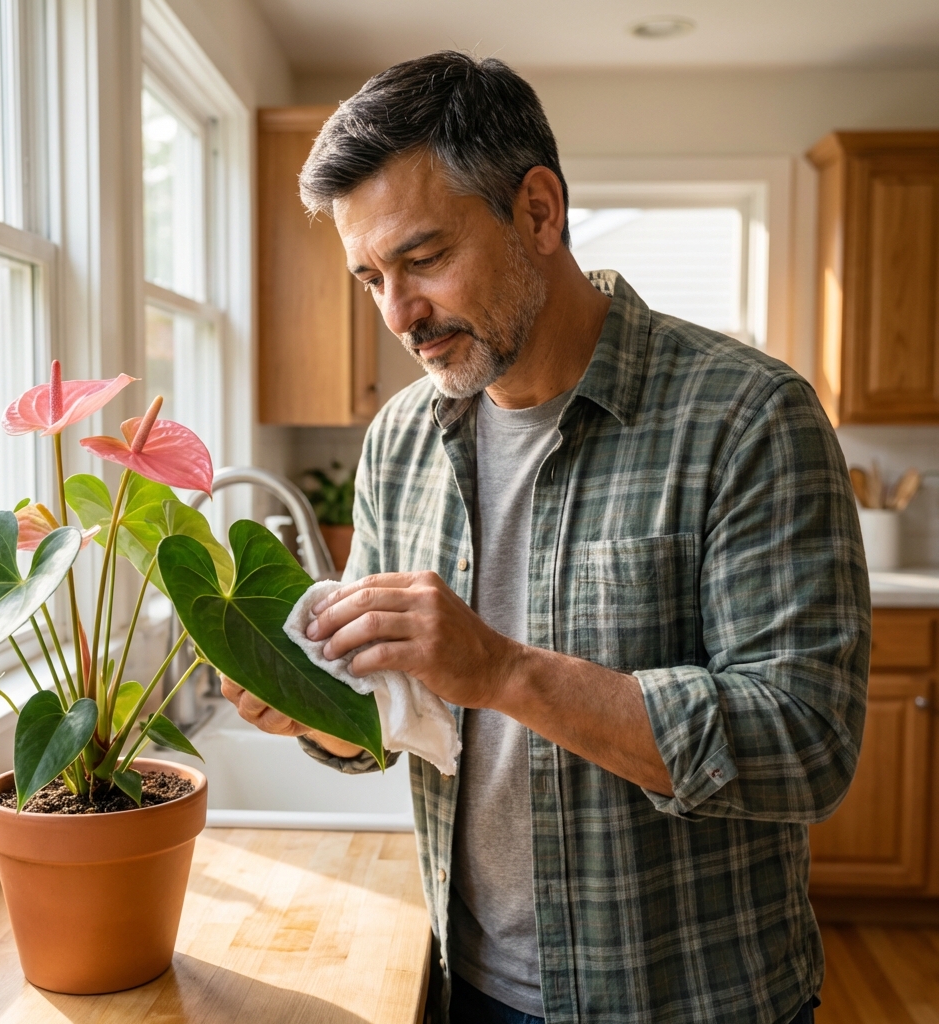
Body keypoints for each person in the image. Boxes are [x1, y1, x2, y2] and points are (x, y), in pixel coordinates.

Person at [221, 51, 870, 1024]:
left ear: (537, 211)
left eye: (423, 258)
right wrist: (305, 702)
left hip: (690, 1000)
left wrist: (503, 671)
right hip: (465, 985)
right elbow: (387, 721)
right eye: (370, 278)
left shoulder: (747, 417)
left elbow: (803, 744)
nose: (398, 315)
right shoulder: (402, 437)